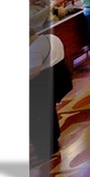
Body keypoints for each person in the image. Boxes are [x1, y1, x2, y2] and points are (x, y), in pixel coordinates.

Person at [29, 29, 73, 162]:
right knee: (47, 112)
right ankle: (52, 142)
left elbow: (33, 72)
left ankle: (46, 148)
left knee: (37, 116)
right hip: (62, 79)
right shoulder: (51, 37)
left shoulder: (34, 50)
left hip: (45, 85)